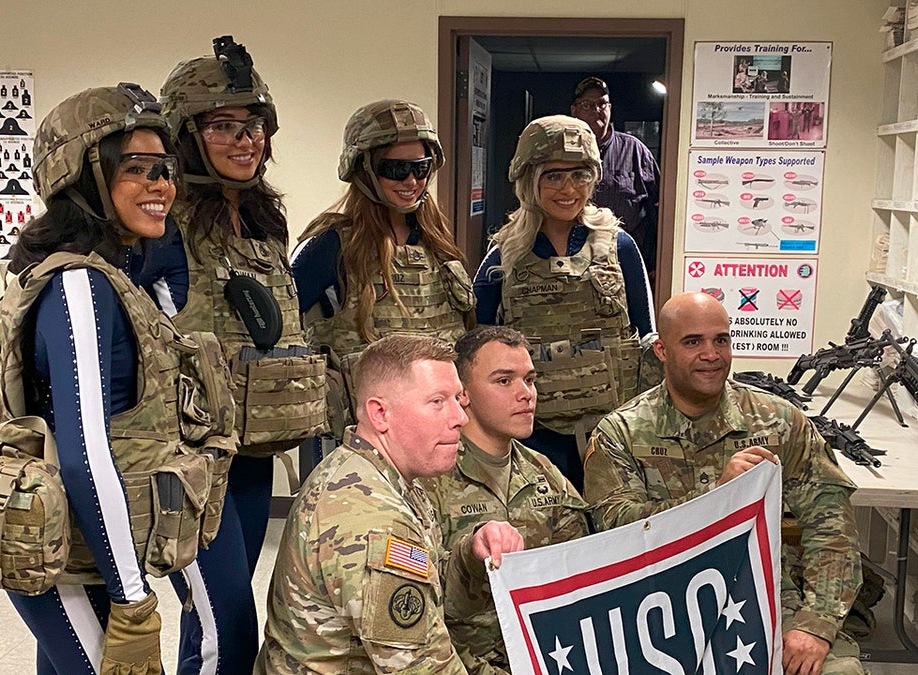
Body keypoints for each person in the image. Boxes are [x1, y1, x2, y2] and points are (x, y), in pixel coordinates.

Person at [0, 83, 208, 673]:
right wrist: (133, 598)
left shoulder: (110, 273)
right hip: (61, 547)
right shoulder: (79, 285)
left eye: (166, 169)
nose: (161, 185)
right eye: (137, 169)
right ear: (82, 175)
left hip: (80, 538)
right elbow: (84, 451)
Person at [154, 36, 325, 673]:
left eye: (252, 125)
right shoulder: (159, 225)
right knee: (227, 623)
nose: (245, 140)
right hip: (185, 464)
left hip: (249, 457)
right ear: (185, 134)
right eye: (224, 126)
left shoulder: (260, 220)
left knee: (217, 620)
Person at [582, 291, 864, 675]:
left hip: (761, 595)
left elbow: (832, 528)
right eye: (693, 342)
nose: (712, 354)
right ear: (662, 351)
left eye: (721, 340)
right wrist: (718, 496)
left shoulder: (778, 422)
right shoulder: (622, 433)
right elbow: (617, 529)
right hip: (658, 608)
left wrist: (816, 625)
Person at [256, 334, 524, 674]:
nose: (460, 417)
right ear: (380, 414)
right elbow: (425, 669)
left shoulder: (381, 476)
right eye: (438, 401)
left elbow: (431, 597)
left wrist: (470, 556)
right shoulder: (369, 517)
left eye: (458, 399)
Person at [474, 114, 655, 490]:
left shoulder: (619, 247)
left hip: (613, 430)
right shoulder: (503, 257)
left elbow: (647, 339)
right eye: (553, 175)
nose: (568, 188)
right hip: (533, 438)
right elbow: (474, 349)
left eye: (580, 175)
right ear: (529, 180)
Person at [294, 99, 475, 438]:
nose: (410, 180)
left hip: (442, 431)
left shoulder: (438, 244)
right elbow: (282, 330)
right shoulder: (330, 246)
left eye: (420, 168)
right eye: (395, 170)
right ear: (363, 170)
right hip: (367, 436)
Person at [420, 326, 590, 674]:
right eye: (504, 381)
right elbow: (420, 614)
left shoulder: (543, 472)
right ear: (463, 394)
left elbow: (580, 572)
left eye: (530, 380)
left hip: (545, 656)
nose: (525, 394)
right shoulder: (430, 477)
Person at [569, 77, 661, 277]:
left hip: (625, 262)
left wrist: (656, 261)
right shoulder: (562, 152)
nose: (597, 110)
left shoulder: (635, 151)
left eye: (602, 104)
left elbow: (658, 209)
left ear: (610, 107)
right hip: (574, 263)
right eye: (587, 105)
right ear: (574, 110)